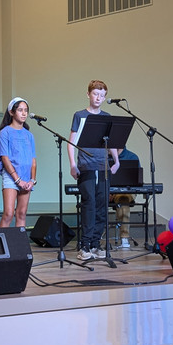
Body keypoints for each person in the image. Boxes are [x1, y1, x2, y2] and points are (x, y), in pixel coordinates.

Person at [68, 80, 120, 261]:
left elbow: (110, 141)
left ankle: (96, 244)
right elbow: (71, 142)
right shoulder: (80, 115)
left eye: (102, 95)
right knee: (89, 204)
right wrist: (72, 164)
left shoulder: (106, 116)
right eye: (95, 94)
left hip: (103, 166)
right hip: (86, 166)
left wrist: (116, 160)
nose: (98, 97)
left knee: (102, 206)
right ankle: (85, 245)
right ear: (88, 94)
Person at [0, 97, 37, 228]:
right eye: (20, 110)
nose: (24, 113)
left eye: (26, 110)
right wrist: (18, 180)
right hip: (11, 177)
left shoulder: (29, 135)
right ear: (12, 112)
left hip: (26, 177)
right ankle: (0, 245)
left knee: (22, 213)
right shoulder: (5, 132)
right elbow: (5, 158)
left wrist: (32, 180)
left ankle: (19, 247)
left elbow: (33, 160)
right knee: (8, 213)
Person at [111, 147, 140, 249]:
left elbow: (136, 181)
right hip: (109, 192)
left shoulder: (132, 157)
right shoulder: (105, 157)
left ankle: (124, 237)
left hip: (127, 191)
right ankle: (93, 241)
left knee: (123, 198)